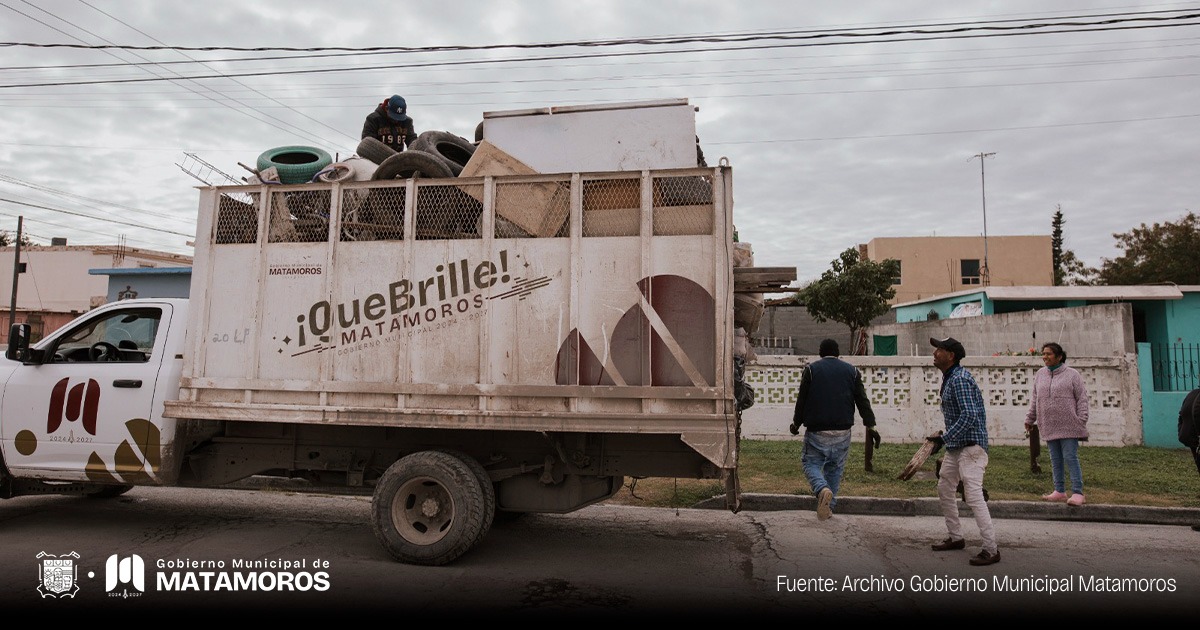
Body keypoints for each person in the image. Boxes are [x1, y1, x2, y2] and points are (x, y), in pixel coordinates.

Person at [927, 336, 999, 566]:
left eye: (940, 349)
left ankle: (991, 549)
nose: (935, 352)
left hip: (971, 447)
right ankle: (956, 537)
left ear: (951, 356)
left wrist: (944, 438)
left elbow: (969, 415)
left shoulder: (959, 379)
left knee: (974, 494)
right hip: (958, 446)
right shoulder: (951, 378)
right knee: (944, 486)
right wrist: (945, 438)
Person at [789, 338, 879, 521]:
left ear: (820, 353)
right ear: (838, 353)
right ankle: (829, 507)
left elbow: (802, 401)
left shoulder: (811, 370)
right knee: (835, 469)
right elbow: (862, 400)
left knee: (810, 464)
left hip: (817, 431)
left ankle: (822, 490)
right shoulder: (852, 371)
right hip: (843, 431)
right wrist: (871, 425)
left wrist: (796, 424)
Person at [1024, 342, 1090, 506]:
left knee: (1070, 457)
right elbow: (1035, 399)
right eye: (1043, 353)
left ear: (1059, 357)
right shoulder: (1040, 374)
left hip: (1069, 425)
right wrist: (1030, 418)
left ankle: (1077, 492)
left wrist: (1081, 419)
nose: (1045, 357)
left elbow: (1081, 398)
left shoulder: (1072, 374)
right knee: (1055, 459)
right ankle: (1059, 491)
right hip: (1049, 424)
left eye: (1049, 354)